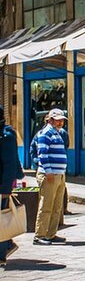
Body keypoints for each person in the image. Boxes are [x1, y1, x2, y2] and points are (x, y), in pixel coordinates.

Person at [33, 108, 69, 246]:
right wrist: (48, 172)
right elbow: (42, 154)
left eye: (62, 120)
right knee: (46, 206)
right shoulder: (45, 133)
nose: (60, 122)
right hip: (50, 175)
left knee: (57, 206)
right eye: (58, 120)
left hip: (59, 174)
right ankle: (39, 235)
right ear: (51, 119)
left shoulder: (58, 133)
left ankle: (51, 234)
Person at [1, 104, 25, 266]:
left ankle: (3, 250)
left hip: (2, 185)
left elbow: (10, 163)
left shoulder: (6, 135)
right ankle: (7, 244)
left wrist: (5, 189)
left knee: (2, 218)